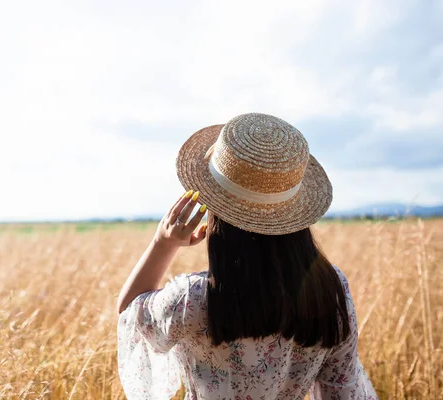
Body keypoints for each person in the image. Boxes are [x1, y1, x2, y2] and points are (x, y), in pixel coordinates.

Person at [116, 113, 377, 400]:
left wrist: (162, 243)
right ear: (294, 216)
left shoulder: (192, 299)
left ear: (216, 211)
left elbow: (129, 313)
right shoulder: (330, 288)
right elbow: (342, 385)